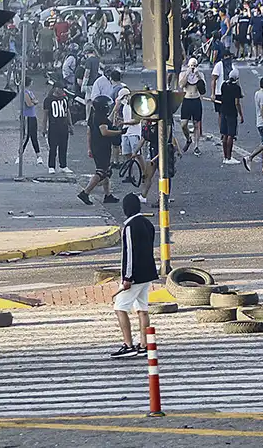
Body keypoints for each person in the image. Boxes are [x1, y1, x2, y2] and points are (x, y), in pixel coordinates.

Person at [110, 193, 158, 359]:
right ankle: (144, 344)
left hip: (135, 276)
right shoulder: (147, 224)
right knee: (142, 309)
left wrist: (127, 277)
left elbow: (129, 253)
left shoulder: (130, 227)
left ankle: (128, 344)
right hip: (148, 273)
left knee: (120, 307)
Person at [78, 96, 121, 205]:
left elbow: (89, 132)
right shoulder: (100, 117)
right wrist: (119, 132)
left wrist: (89, 148)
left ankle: (108, 195)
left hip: (96, 146)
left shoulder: (93, 116)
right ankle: (85, 192)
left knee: (106, 172)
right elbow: (105, 132)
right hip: (102, 148)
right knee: (101, 172)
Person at [42, 80, 73, 174]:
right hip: (53, 126)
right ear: (56, 89)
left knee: (64, 147)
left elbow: (67, 112)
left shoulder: (64, 99)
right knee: (53, 147)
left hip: (63, 126)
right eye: (61, 89)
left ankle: (63, 165)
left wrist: (70, 125)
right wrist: (44, 128)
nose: (62, 91)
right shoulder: (48, 100)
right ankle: (51, 166)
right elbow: (45, 115)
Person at [178, 58, 206, 156]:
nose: (193, 67)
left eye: (194, 65)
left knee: (196, 124)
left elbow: (203, 88)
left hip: (196, 99)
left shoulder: (200, 75)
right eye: (191, 65)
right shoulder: (183, 73)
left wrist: (197, 75)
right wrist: (187, 73)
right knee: (183, 124)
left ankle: (196, 146)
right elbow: (181, 85)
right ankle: (188, 139)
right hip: (187, 99)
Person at [219, 68, 244, 164]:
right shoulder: (236, 88)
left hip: (223, 110)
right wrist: (241, 115)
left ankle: (225, 157)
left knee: (224, 134)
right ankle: (229, 157)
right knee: (231, 134)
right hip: (231, 112)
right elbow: (237, 102)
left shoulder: (224, 85)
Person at [18, 77, 43, 166]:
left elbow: (35, 100)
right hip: (26, 117)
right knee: (26, 136)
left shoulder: (29, 93)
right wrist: (34, 102)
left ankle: (38, 156)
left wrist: (34, 102)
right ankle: (20, 155)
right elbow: (29, 104)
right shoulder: (24, 93)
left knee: (34, 136)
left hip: (32, 116)